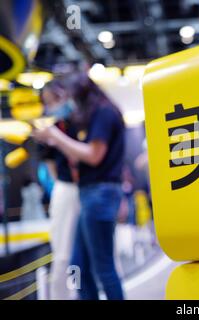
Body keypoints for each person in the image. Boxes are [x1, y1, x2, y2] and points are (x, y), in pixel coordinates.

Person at [33, 72, 126, 300]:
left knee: (102, 267)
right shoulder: (97, 114)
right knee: (81, 266)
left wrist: (55, 136)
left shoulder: (103, 113)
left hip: (99, 194)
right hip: (92, 194)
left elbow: (94, 156)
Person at [39, 79, 80, 300]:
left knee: (83, 252)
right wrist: (59, 185)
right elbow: (49, 163)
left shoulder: (78, 121)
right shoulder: (52, 128)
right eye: (48, 101)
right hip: (66, 189)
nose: (51, 105)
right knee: (63, 252)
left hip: (85, 189)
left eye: (53, 99)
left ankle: (81, 293)